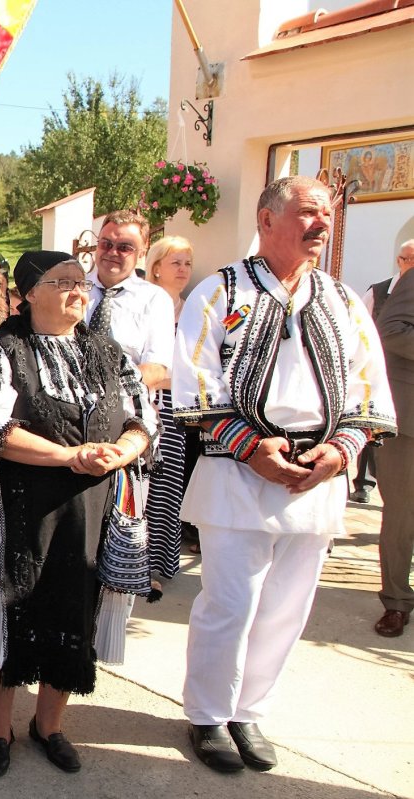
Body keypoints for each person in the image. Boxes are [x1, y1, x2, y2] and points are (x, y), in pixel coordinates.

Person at [174, 176, 395, 773]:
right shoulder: (219, 292)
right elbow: (195, 385)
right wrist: (252, 449)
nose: (320, 224)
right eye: (306, 212)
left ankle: (250, 712)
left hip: (317, 475)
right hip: (239, 472)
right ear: (267, 219)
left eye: (326, 214)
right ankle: (208, 714)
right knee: (232, 601)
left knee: (288, 606)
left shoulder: (344, 299)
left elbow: (367, 386)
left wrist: (343, 449)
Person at [0, 250, 155, 778]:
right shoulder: (3, 349)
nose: (76, 290)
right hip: (18, 501)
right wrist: (70, 456)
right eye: (62, 282)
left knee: (74, 609)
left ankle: (50, 724)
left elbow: (142, 415)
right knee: (6, 614)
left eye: (80, 282)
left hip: (91, 503)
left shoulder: (106, 350)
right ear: (28, 294)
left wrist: (123, 450)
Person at [142, 236, 194, 582]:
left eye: (188, 263)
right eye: (176, 262)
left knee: (167, 487)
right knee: (140, 488)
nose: (184, 269)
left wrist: (170, 377)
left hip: (175, 413)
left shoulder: (193, 311)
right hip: (144, 406)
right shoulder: (144, 303)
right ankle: (130, 562)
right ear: (156, 267)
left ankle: (156, 566)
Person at [372, 238, 414, 637]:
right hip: (409, 423)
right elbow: (390, 329)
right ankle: (397, 602)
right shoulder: (412, 278)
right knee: (402, 514)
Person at [85, 210, 175, 392]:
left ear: (142, 252)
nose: (112, 252)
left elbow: (156, 368)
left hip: (127, 407)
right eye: (106, 244)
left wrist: (108, 393)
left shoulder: (155, 300)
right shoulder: (73, 290)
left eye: (124, 247)